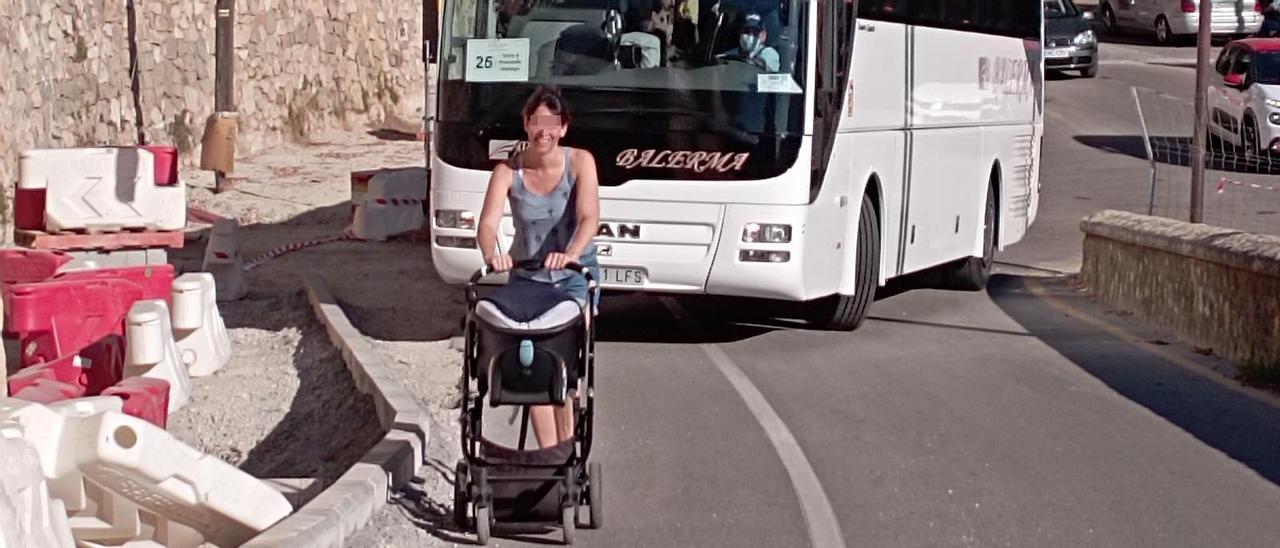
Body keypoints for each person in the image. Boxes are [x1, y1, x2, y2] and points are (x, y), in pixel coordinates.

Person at [476, 85, 601, 449]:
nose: (544, 131)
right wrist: (492, 254)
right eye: (537, 122)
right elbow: (486, 224)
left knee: (564, 361)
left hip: (571, 278)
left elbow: (589, 217)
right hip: (528, 279)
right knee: (530, 368)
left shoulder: (580, 162)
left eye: (552, 123)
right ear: (526, 125)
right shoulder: (507, 171)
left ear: (563, 128)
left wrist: (572, 253)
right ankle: (548, 455)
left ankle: (567, 445)